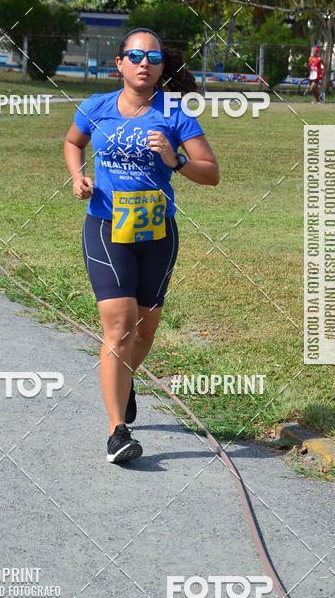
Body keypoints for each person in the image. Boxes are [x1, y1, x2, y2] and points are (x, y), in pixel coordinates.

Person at [64, 28, 220, 464]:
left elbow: (212, 173)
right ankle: (118, 431)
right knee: (120, 324)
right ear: (119, 63)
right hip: (106, 226)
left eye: (152, 57)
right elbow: (72, 143)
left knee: (146, 329)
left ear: (162, 67)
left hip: (157, 234)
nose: (143, 63)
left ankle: (125, 378)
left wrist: (176, 159)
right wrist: (78, 176)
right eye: (134, 55)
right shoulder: (95, 107)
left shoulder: (175, 112)